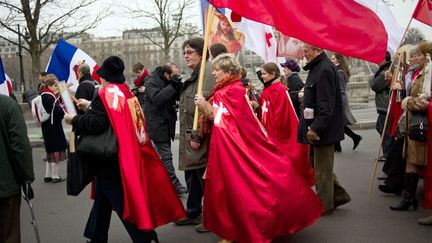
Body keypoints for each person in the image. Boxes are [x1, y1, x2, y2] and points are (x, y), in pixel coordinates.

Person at [194, 54, 322, 242]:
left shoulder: (228, 91)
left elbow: (224, 120)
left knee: (238, 188)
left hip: (234, 149)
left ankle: (246, 228)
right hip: (236, 145)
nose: (213, 73)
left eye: (216, 69)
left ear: (228, 71)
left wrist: (204, 105)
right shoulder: (232, 88)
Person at [64, 56, 185, 242]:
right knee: (103, 199)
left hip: (107, 157)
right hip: (122, 153)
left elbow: (97, 123)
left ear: (104, 76)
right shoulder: (125, 92)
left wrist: (74, 119)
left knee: (118, 200)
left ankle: (144, 236)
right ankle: (95, 236)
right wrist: (90, 106)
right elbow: (114, 117)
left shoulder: (105, 94)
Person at [298, 43, 351, 215]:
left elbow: (325, 105)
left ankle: (323, 205)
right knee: (319, 167)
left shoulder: (324, 70)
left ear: (318, 50)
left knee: (322, 172)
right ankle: (338, 195)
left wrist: (315, 128)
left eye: (307, 51)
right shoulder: (319, 68)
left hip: (321, 131)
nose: (304, 54)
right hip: (318, 129)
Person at [174, 38, 216, 232]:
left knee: (202, 177)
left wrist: (197, 135)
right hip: (191, 135)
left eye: (190, 52)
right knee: (194, 176)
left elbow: (207, 105)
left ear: (201, 53)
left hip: (198, 137)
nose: (186, 55)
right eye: (184, 52)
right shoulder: (196, 74)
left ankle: (211, 216)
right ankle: (193, 211)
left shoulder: (206, 72)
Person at [390, 42, 431, 211]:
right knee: (410, 159)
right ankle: (409, 197)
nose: (417, 57)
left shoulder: (427, 76)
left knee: (415, 160)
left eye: (420, 55)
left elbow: (424, 102)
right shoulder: (419, 73)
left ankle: (410, 198)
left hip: (420, 123)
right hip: (412, 122)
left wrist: (407, 102)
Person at [258, 62, 314, 186]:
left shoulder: (279, 89)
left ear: (273, 74)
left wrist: (271, 135)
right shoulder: (269, 88)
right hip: (269, 132)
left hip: (276, 134)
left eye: (264, 74)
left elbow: (281, 116)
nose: (262, 76)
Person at [379, 46, 419, 195]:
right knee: (401, 151)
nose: (413, 58)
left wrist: (400, 89)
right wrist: (393, 82)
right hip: (404, 115)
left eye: (416, 56)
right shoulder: (409, 71)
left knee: (402, 151)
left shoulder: (415, 72)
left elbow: (410, 93)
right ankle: (395, 182)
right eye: (412, 56)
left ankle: (395, 183)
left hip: (411, 117)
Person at [143, 64, 187, 195]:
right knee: (166, 156)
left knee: (161, 157)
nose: (176, 78)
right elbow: (158, 99)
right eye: (174, 76)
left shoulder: (167, 81)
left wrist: (179, 88)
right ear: (167, 75)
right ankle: (174, 185)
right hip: (156, 124)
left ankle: (159, 184)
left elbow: (177, 97)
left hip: (166, 123)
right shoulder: (151, 82)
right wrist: (173, 86)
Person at [0, 94, 35, 243]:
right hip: (5, 185)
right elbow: (20, 146)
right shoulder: (7, 105)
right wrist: (26, 178)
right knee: (9, 233)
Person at [331, 54, 362, 152]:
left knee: (337, 123)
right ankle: (340, 145)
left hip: (339, 99)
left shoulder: (339, 72)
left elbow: (340, 89)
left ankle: (354, 138)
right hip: (339, 99)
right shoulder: (338, 70)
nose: (331, 60)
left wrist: (336, 102)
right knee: (337, 123)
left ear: (338, 61)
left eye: (333, 59)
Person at [40, 75, 67, 183]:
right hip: (53, 127)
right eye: (56, 85)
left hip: (47, 126)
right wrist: (63, 108)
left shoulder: (44, 94)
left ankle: (48, 175)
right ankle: (55, 176)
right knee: (55, 150)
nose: (57, 87)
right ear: (50, 85)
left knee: (50, 151)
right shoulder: (49, 96)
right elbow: (57, 110)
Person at [369, 51, 392, 163]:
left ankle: (388, 158)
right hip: (383, 106)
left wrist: (371, 78)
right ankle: (387, 155)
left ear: (385, 58)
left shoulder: (386, 71)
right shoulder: (383, 70)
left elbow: (375, 85)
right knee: (380, 128)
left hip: (385, 106)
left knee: (385, 132)